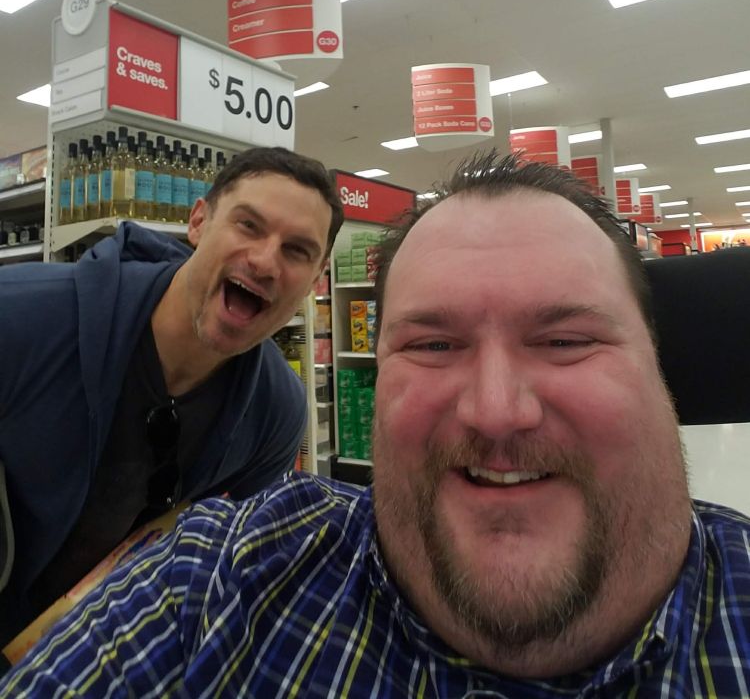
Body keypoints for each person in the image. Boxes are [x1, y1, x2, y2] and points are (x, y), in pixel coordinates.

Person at [3, 149, 749, 697]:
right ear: (196, 223)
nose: (496, 409)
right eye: (433, 344)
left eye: (564, 341)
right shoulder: (226, 581)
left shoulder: (274, 409)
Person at [0, 145, 342, 652]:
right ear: (198, 221)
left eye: (297, 251)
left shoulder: (275, 410)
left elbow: (230, 566)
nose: (267, 261)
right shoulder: (22, 317)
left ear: (315, 279)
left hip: (97, 656)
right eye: (248, 225)